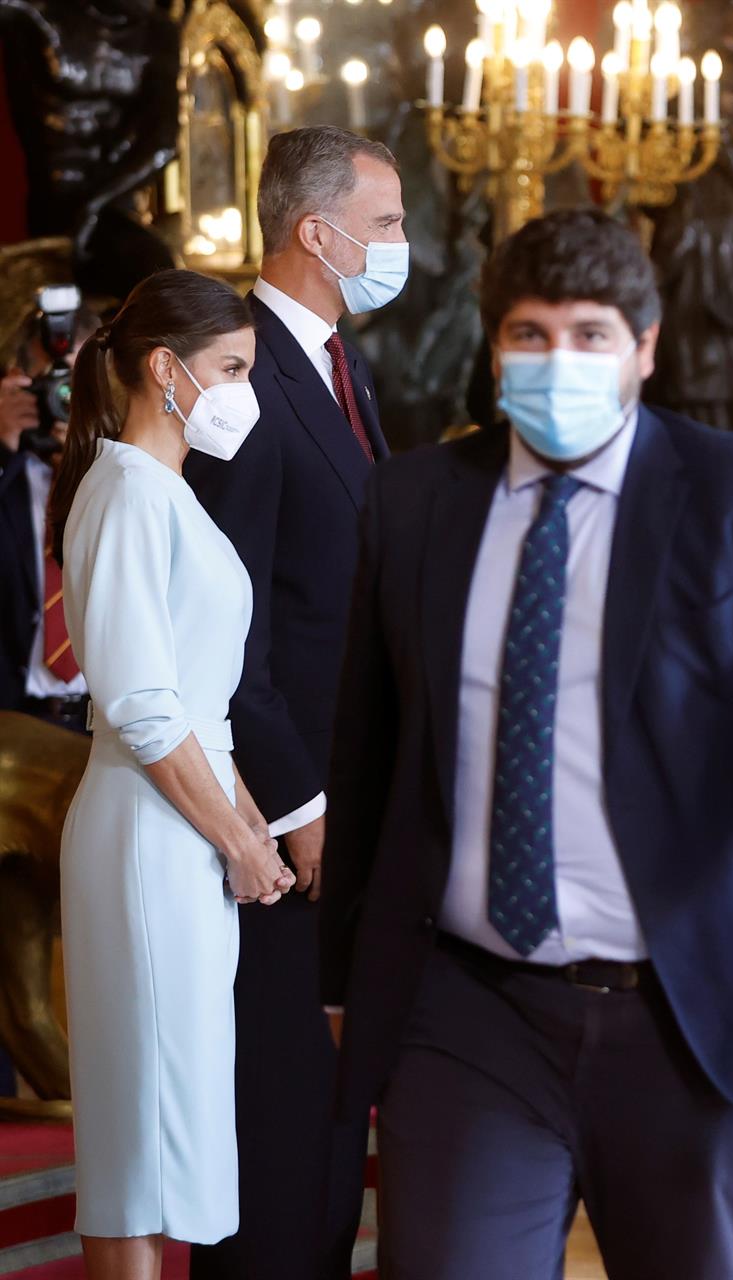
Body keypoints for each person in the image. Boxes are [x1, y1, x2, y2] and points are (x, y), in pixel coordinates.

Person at [319, 209, 733, 1279]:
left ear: (646, 347)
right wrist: (340, 972)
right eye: (530, 334)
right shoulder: (413, 501)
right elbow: (368, 743)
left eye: (590, 334)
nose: (558, 360)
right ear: (494, 350)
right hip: (470, 1010)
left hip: (686, 1009)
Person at [181, 124, 401, 1280]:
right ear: (318, 233)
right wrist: (298, 802)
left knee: (325, 1126)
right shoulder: (242, 371)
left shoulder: (339, 359)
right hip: (280, 815)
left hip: (351, 798)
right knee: (277, 1127)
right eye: (389, 223)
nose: (401, 245)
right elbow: (234, 626)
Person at [50, 267, 294, 1280]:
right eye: (230, 366)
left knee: (171, 1123)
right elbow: (144, 705)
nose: (246, 387)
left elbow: (201, 706)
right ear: (165, 367)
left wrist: (250, 827)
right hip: (149, 836)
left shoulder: (164, 491)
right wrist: (238, 838)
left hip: (183, 825)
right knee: (139, 1144)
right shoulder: (122, 491)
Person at [0, 302, 99, 735]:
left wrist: (85, 457)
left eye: (79, 382)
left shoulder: (128, 471)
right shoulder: (8, 471)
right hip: (13, 719)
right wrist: (3, 447)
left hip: (105, 722)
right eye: (53, 383)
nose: (66, 398)